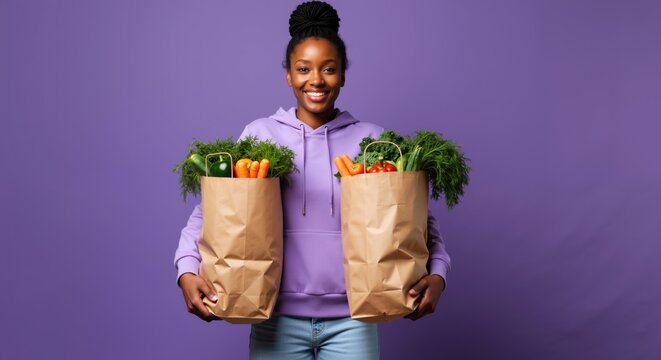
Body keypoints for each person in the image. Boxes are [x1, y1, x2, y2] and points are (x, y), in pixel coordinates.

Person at [174, 1, 451, 359]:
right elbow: (212, 213)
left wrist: (439, 275)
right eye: (303, 69)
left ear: (343, 75)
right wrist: (186, 270)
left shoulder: (372, 141)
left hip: (355, 318)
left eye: (329, 69)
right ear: (288, 75)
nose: (316, 80)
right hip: (275, 316)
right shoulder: (260, 137)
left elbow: (415, 219)